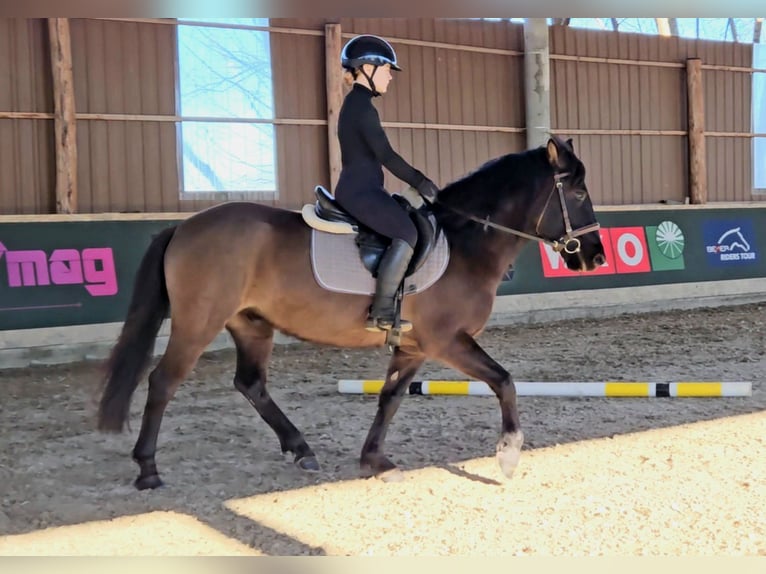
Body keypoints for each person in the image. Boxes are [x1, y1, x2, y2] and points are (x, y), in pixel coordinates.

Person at [333, 34, 440, 333]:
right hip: (360, 192)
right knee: (405, 232)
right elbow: (386, 155)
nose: (391, 77)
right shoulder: (360, 107)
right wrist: (422, 182)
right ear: (367, 67)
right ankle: (380, 313)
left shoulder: (359, 104)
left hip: (366, 189)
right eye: (387, 69)